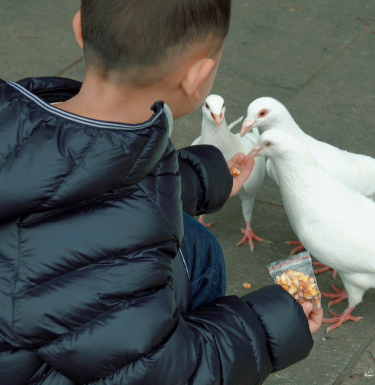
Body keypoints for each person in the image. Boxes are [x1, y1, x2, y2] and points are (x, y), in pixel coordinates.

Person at [0, 1, 322, 384]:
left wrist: (198, 179)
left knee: (197, 242)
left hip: (24, 321)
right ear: (197, 77)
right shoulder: (118, 258)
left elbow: (59, 186)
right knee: (198, 257)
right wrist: (268, 326)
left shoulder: (18, 119)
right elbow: (165, 373)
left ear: (79, 27)